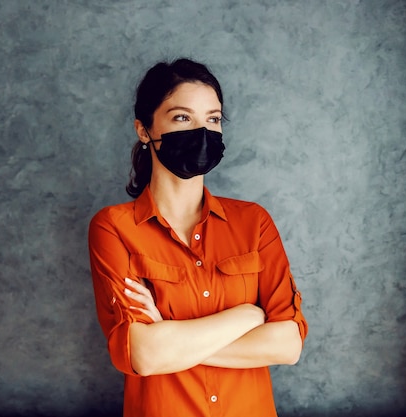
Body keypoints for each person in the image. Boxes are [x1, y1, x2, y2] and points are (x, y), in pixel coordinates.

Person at [88, 58, 308, 417]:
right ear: (144, 130)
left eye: (213, 118)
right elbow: (142, 355)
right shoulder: (114, 227)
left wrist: (169, 338)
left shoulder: (254, 222)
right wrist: (249, 315)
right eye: (182, 117)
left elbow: (287, 344)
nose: (202, 130)